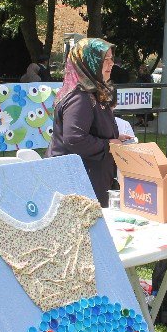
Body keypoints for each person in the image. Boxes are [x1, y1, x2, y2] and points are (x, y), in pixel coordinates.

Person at [47, 39, 131, 206]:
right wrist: (108, 144)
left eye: (111, 58)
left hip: (87, 178)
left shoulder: (92, 92)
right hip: (77, 183)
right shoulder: (80, 97)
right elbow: (74, 138)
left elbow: (90, 128)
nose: (111, 64)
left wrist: (115, 137)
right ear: (88, 62)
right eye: (104, 59)